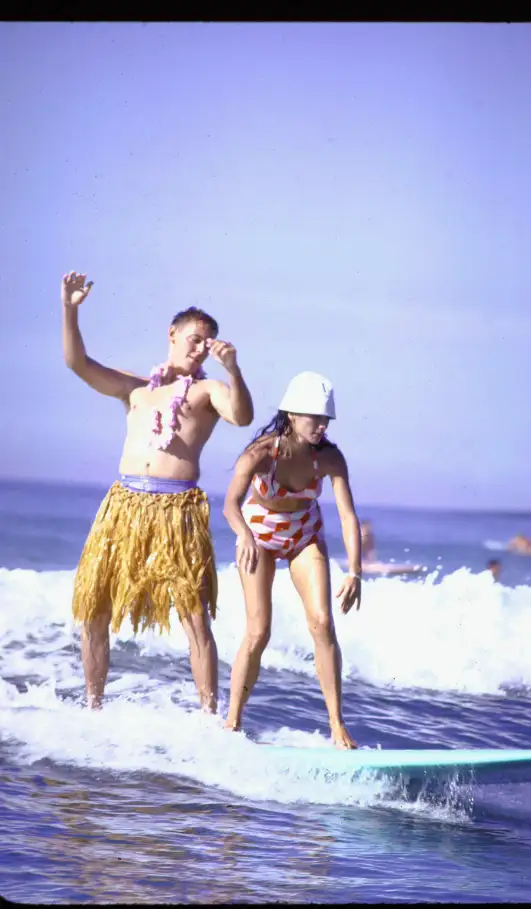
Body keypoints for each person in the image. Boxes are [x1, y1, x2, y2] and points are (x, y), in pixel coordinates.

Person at [62, 271, 254, 711]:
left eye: (207, 342)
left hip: (177, 510)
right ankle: (93, 707)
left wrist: (234, 369)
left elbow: (242, 416)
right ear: (172, 334)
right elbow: (78, 364)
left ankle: (208, 715)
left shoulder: (208, 390)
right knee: (94, 609)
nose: (200, 346)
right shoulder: (135, 388)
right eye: (194, 337)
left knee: (194, 618)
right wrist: (70, 309)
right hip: (124, 504)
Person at [222, 371, 361, 749]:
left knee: (322, 623)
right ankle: (233, 720)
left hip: (304, 533)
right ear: (292, 415)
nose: (321, 426)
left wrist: (355, 571)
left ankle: (336, 725)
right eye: (314, 418)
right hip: (258, 535)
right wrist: (244, 536)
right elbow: (230, 505)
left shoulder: (329, 458)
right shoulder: (260, 453)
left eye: (325, 419)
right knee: (258, 632)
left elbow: (347, 515)